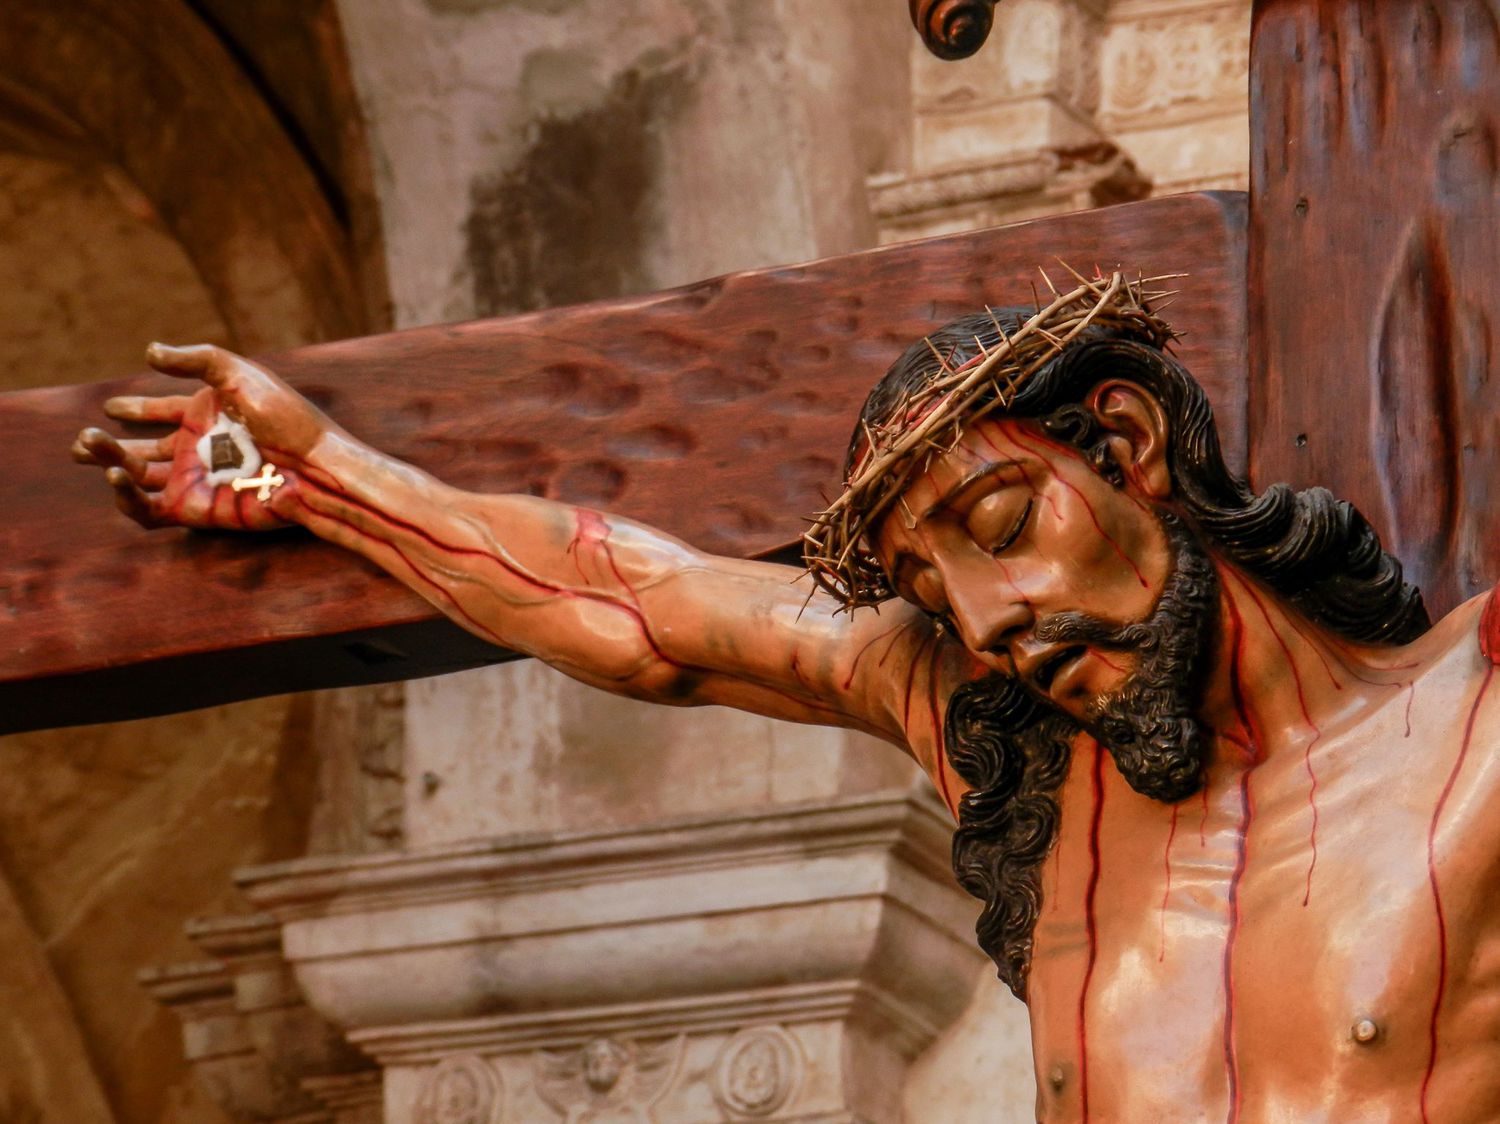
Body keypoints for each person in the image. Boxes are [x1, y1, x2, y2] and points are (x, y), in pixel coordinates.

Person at [74, 277, 1500, 1121]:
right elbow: (642, 609)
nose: (991, 625)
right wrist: (324, 475)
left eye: (1001, 527)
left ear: (1123, 443)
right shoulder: (1034, 778)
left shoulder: (1472, 724)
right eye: (935, 597)